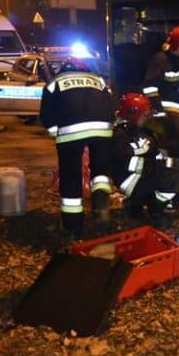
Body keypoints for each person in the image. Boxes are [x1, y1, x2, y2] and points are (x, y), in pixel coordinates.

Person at [40, 57, 114, 237]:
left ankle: (73, 225)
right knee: (101, 170)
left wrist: (54, 132)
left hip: (70, 133)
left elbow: (46, 114)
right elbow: (110, 105)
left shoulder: (54, 83)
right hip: (103, 130)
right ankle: (101, 207)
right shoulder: (99, 80)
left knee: (70, 175)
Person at [112, 93, 179, 226]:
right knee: (171, 179)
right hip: (129, 180)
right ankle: (155, 211)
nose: (147, 118)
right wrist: (161, 168)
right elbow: (125, 163)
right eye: (145, 115)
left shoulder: (146, 133)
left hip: (144, 176)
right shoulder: (120, 135)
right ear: (134, 114)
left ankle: (136, 205)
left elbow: (157, 156)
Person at [141, 25, 179, 171]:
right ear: (177, 45)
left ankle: (174, 173)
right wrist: (160, 109)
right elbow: (150, 88)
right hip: (167, 110)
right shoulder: (160, 61)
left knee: (177, 143)